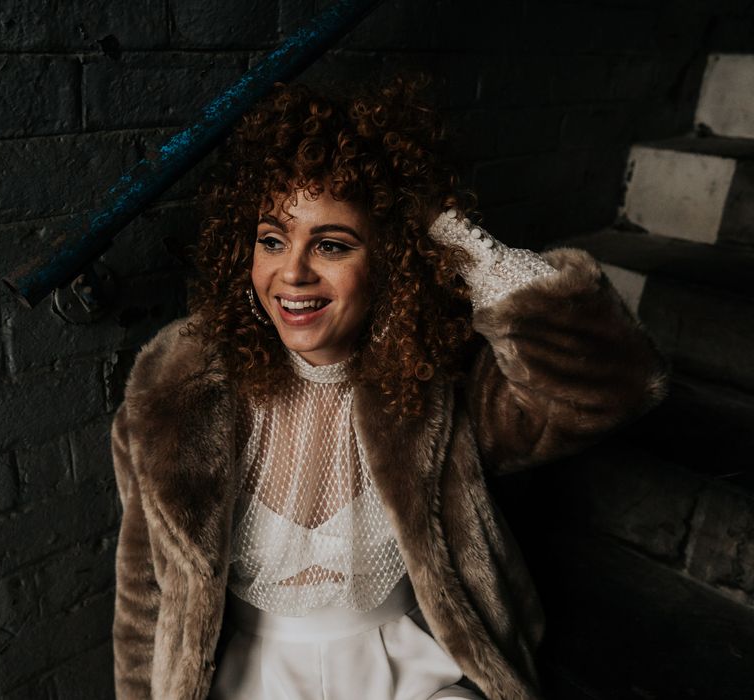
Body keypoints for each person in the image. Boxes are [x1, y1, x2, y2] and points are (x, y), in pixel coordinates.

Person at [110, 78, 668, 700]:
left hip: (410, 673)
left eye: (331, 244)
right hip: (240, 680)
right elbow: (143, 597)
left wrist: (460, 243)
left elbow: (613, 387)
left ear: (389, 262)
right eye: (272, 240)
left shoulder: (438, 380)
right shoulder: (173, 388)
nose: (292, 272)